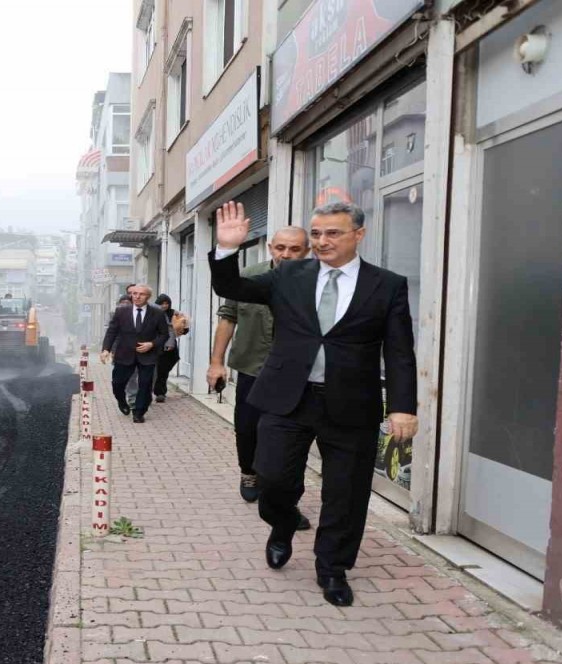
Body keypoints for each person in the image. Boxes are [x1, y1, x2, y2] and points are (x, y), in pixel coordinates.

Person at [208, 201, 417, 607]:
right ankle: (282, 523)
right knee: (271, 479)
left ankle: (332, 568)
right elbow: (232, 289)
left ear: (359, 234)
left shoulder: (387, 285)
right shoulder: (289, 274)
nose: (321, 242)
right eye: (317, 234)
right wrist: (227, 251)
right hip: (288, 397)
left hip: (351, 403)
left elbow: (399, 350)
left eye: (332, 233)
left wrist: (403, 406)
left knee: (346, 492)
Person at [208, 226, 312, 508]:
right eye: (281, 248)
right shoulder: (248, 277)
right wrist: (216, 362)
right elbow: (228, 319)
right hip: (253, 366)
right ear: (270, 248)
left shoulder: (316, 283)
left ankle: (285, 501)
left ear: (307, 251)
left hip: (297, 374)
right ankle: (248, 471)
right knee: (247, 427)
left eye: (294, 249)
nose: (286, 255)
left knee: (292, 438)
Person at [101, 284, 169, 424]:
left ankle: (139, 412)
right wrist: (106, 349)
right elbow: (112, 331)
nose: (137, 297)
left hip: (147, 355)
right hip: (124, 354)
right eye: (134, 293)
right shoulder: (121, 312)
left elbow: (164, 334)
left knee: (145, 384)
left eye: (141, 294)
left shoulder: (157, 313)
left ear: (148, 297)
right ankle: (122, 401)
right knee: (117, 383)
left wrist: (152, 344)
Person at [152, 294, 188, 402]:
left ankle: (159, 389)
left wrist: (183, 326)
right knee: (159, 369)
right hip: (157, 345)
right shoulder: (153, 313)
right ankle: (160, 392)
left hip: (170, 346)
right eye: (162, 303)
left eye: (166, 303)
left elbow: (182, 326)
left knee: (165, 369)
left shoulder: (173, 313)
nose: (164, 306)